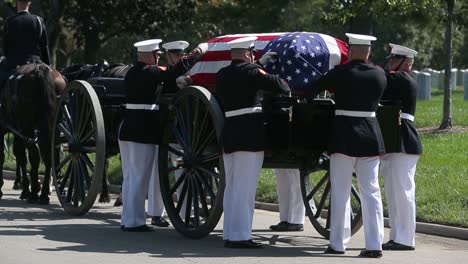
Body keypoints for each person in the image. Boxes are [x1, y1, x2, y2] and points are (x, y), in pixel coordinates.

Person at [309, 33, 387, 258]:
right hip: (370, 135)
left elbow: (316, 87)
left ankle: (338, 243)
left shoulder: (341, 73)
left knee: (341, 190)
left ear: (350, 51)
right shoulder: (379, 74)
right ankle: (375, 245)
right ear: (369, 52)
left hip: (344, 135)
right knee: (371, 191)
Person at [118, 38, 207, 232]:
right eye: (156, 55)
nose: (158, 58)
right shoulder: (151, 72)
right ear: (149, 55)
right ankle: (134, 222)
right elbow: (174, 72)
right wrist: (197, 53)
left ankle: (128, 219)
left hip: (128, 128)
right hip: (143, 130)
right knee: (140, 176)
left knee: (131, 176)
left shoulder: (132, 72)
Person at [217, 36, 290, 248]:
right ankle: (240, 236)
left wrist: (257, 66)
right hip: (249, 135)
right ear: (249, 53)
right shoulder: (252, 72)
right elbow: (281, 86)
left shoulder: (222, 74)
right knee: (245, 188)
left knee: (231, 186)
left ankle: (230, 233)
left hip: (230, 133)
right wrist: (261, 68)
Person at [146, 39, 206, 227]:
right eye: (177, 55)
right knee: (158, 170)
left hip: (184, 131)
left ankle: (185, 211)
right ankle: (156, 212)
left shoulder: (188, 74)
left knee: (184, 171)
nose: (180, 57)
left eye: (182, 54)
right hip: (164, 128)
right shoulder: (164, 73)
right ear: (169, 56)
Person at [380, 43, 422, 251]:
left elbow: (380, 80)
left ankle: (405, 239)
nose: (390, 63)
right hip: (394, 139)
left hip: (403, 139)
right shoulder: (396, 79)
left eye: (395, 60)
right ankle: (397, 236)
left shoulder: (404, 80)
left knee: (403, 192)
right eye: (390, 60)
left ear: (407, 64)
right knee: (394, 193)